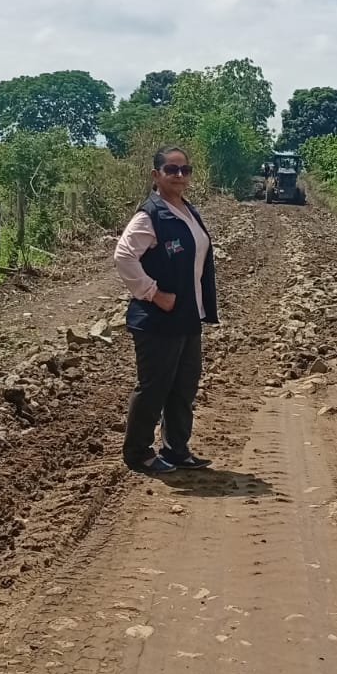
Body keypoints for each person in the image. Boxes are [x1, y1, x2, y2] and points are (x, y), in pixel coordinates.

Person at [114, 146, 218, 473]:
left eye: (184, 170)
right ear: (156, 174)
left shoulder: (187, 210)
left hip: (187, 316)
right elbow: (123, 256)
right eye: (171, 170)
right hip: (157, 319)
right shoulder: (150, 216)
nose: (179, 175)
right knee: (154, 387)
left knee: (184, 386)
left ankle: (176, 450)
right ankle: (138, 454)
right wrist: (153, 293)